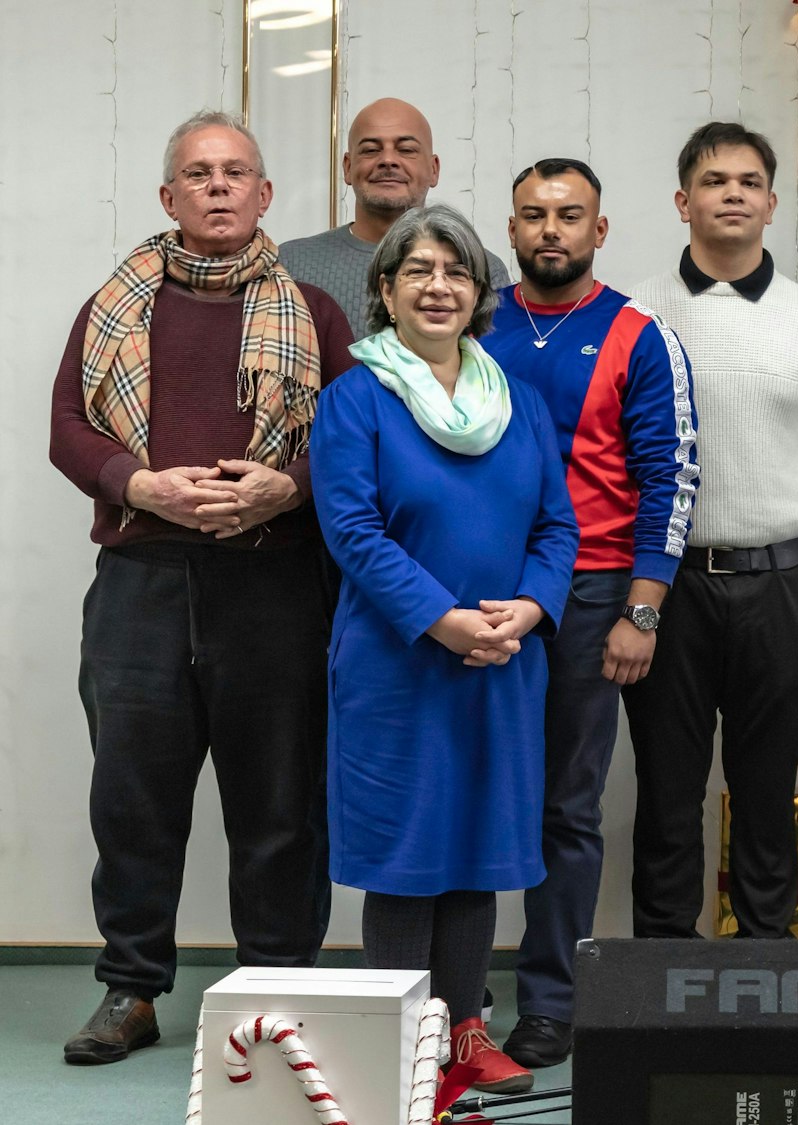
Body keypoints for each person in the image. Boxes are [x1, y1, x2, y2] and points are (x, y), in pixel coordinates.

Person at [49, 110, 350, 1066]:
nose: (218, 187)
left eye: (236, 173)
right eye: (198, 173)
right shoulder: (112, 307)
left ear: (266, 196)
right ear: (167, 197)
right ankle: (132, 989)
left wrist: (284, 487)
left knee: (280, 801)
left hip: (275, 584)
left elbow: (349, 441)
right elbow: (68, 426)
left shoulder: (315, 310)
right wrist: (137, 485)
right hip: (140, 582)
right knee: (132, 799)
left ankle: (278, 990)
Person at [313, 204, 579, 1094]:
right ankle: (401, 1044)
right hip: (400, 663)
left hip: (505, 661)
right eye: (418, 270)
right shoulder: (355, 397)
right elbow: (351, 530)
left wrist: (531, 611)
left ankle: (466, 1031)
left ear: (480, 293)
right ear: (385, 291)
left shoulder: (520, 400)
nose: (439, 285)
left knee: (479, 846)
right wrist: (444, 619)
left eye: (457, 271)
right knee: (407, 851)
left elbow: (557, 526)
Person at [480, 158, 700, 1067]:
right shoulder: (472, 320)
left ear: (600, 230)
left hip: (594, 591)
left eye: (571, 215)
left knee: (567, 806)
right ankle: (451, 997)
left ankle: (549, 1001)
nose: (551, 231)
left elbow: (670, 479)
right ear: (512, 227)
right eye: (533, 215)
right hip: (482, 594)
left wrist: (639, 613)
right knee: (477, 792)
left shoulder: (638, 335)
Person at [626, 122, 798, 950]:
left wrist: (778, 531)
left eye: (749, 181)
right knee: (667, 784)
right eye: (715, 180)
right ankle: (661, 954)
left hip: (781, 584)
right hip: (667, 584)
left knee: (765, 787)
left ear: (770, 202)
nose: (733, 193)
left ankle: (766, 950)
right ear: (684, 201)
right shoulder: (637, 312)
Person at [280, 97, 509, 337]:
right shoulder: (291, 264)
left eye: (406, 150)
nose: (388, 160)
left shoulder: (482, 270)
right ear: (347, 167)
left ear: (434, 169)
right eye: (371, 150)